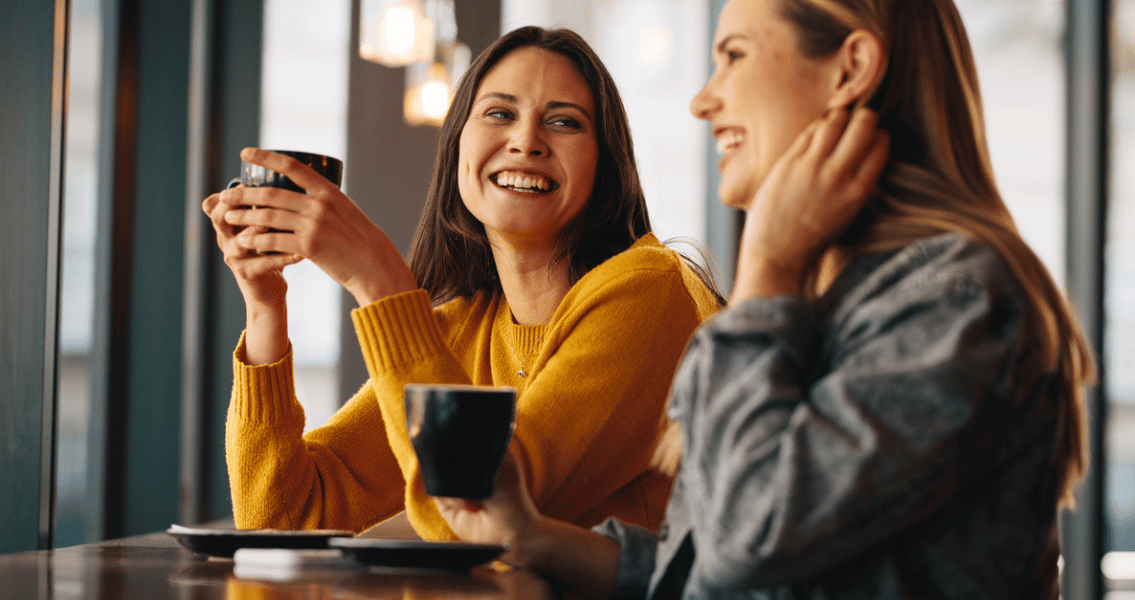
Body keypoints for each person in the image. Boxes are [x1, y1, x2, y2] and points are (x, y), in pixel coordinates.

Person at [433, 0, 1096, 598]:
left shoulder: (952, 297)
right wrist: (536, 538)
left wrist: (767, 270)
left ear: (850, 68)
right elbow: (706, 569)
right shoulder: (831, 297)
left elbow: (749, 545)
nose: (702, 100)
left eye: (734, 56)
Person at [202, 26, 724, 541]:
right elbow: (283, 520)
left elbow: (483, 513)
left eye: (564, 122)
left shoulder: (647, 292)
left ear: (604, 164)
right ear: (457, 148)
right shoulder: (462, 330)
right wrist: (265, 305)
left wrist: (377, 276)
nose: (526, 141)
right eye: (500, 113)